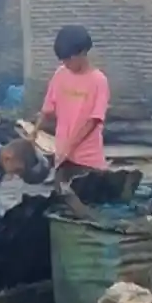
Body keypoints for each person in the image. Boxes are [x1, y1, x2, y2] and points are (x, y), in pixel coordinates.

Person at [31, 25, 109, 185]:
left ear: (82, 53)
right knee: (62, 201)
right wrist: (34, 132)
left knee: (87, 201)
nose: (65, 63)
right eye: (62, 59)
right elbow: (47, 108)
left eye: (69, 59)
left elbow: (94, 121)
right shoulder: (60, 74)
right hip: (62, 158)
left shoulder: (98, 81)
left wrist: (70, 146)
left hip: (88, 160)